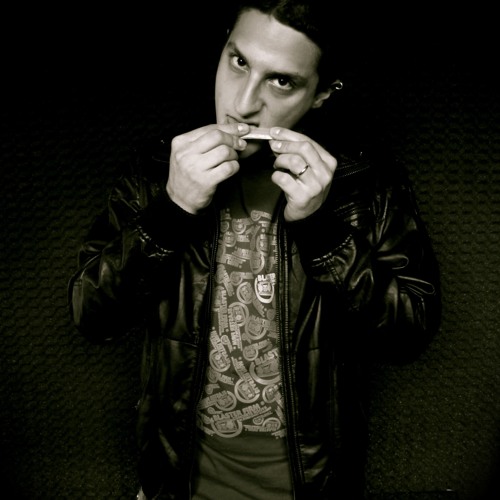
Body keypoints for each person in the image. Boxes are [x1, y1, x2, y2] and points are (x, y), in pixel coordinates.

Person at [68, 1, 441, 498]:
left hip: (314, 485)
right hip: (176, 483)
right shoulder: (158, 169)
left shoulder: (365, 182)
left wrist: (323, 231)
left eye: (281, 81)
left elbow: (409, 335)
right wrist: (172, 210)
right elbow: (92, 316)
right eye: (239, 61)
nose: (242, 104)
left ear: (322, 93)